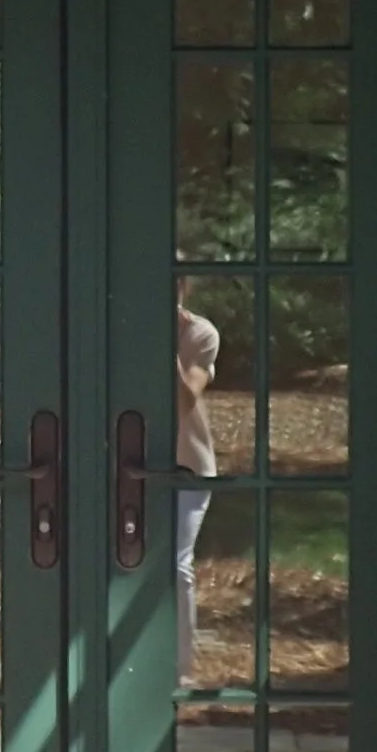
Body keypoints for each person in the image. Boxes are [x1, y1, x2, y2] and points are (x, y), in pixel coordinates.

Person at [173, 290, 220, 685]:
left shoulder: (201, 334)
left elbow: (186, 399)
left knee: (175, 565)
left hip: (188, 465)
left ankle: (180, 670)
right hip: (134, 464)